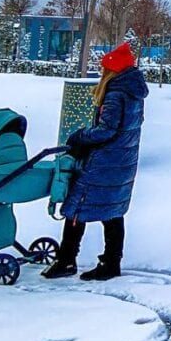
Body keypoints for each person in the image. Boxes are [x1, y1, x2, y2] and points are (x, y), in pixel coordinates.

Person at [43, 41, 146, 281]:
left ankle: (66, 259)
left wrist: (79, 136)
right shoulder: (133, 93)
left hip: (104, 162)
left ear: (112, 70)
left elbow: (106, 130)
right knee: (113, 211)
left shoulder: (115, 94)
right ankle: (111, 263)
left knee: (76, 207)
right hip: (122, 161)